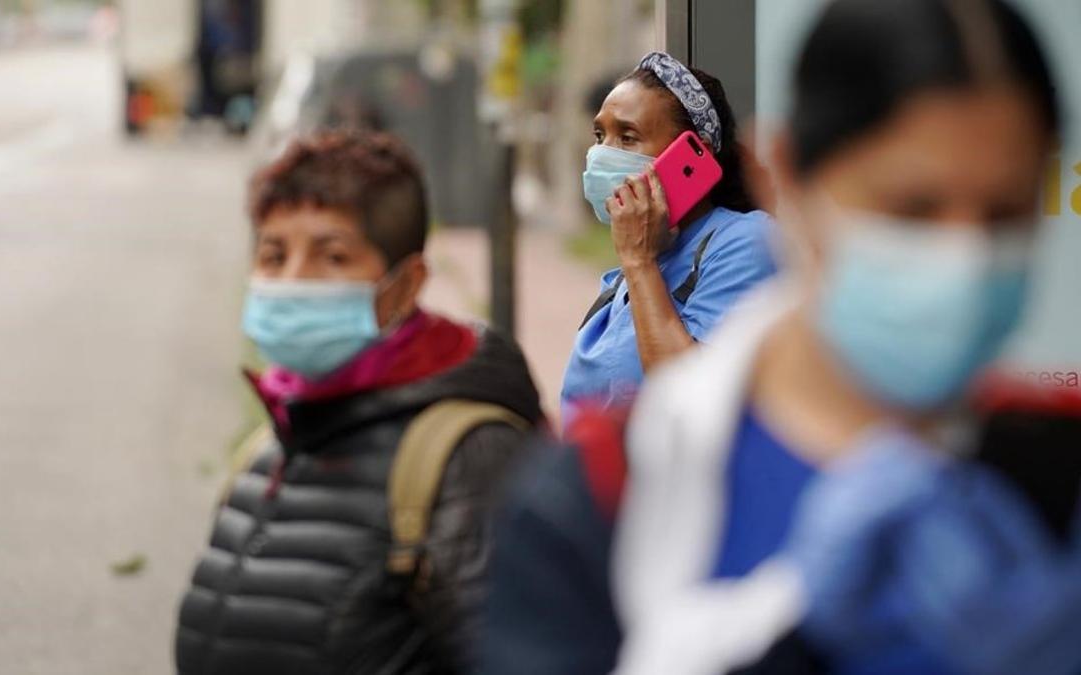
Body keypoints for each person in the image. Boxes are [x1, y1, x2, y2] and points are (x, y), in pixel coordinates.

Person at [483, 1, 1080, 673]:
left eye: (1006, 214)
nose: (964, 258)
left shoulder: (1055, 478)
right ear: (790, 174)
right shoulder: (595, 501)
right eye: (912, 208)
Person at [175, 131, 543, 675]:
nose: (292, 281)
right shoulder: (271, 445)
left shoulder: (467, 455)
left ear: (406, 285)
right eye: (273, 255)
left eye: (332, 256)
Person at [561, 52, 777, 416]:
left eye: (627, 137)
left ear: (692, 158)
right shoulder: (629, 273)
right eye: (599, 135)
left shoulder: (747, 241)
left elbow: (688, 393)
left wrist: (639, 261)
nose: (601, 154)